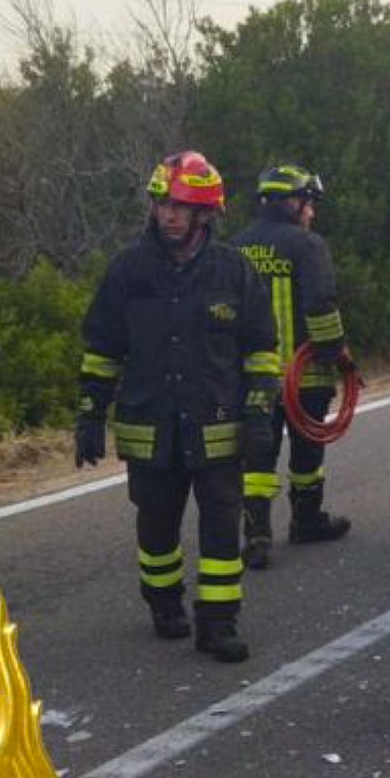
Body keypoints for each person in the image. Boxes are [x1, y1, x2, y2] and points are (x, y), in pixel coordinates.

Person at [76, 151, 279, 663]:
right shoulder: (128, 271)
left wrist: (259, 411)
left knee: (220, 526)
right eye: (162, 204)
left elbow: (261, 348)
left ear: (204, 213)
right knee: (157, 528)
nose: (168, 214)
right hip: (151, 427)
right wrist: (89, 413)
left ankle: (218, 622)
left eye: (180, 206)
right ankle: (164, 603)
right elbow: (102, 347)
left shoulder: (234, 271)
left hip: (216, 426)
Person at [233, 163, 353, 569]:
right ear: (291, 201)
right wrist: (338, 353)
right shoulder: (307, 245)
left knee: (258, 454)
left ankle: (257, 535)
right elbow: (321, 305)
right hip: (305, 374)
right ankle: (306, 519)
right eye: (308, 203)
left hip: (253, 376)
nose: (312, 213)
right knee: (307, 448)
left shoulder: (237, 246)